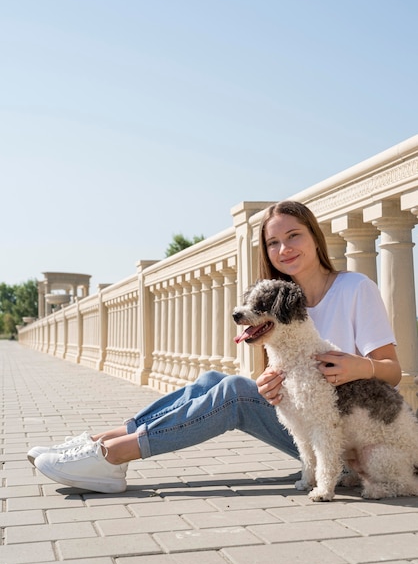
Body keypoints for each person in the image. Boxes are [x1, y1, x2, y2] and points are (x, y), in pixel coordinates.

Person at [28, 201, 401, 493]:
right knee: (211, 379)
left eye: (294, 235)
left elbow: (392, 370)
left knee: (235, 392)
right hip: (302, 422)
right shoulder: (274, 300)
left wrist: (358, 367)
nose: (284, 248)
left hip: (344, 438)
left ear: (314, 236)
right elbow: (282, 371)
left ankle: (113, 456)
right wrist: (270, 382)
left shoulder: (354, 288)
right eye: (273, 242)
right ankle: (100, 442)